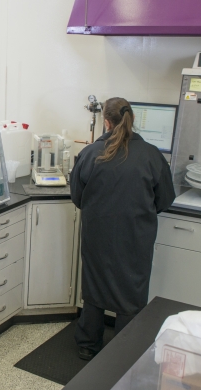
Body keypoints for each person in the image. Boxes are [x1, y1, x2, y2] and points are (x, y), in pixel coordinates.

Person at [70, 97, 175, 360]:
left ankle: (88, 344)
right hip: (135, 238)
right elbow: (165, 200)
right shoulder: (152, 155)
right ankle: (125, 351)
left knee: (94, 287)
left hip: (97, 236)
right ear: (132, 119)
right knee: (131, 290)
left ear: (106, 121)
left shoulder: (91, 154)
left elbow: (77, 197)